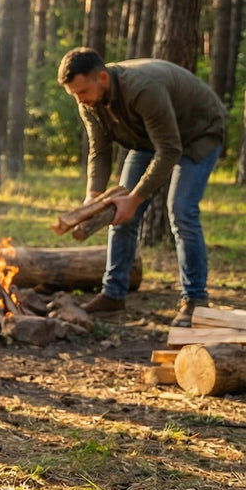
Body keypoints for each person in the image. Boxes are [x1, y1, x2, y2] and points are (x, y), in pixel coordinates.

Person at [57, 47, 226, 328]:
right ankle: (113, 295)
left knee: (182, 211)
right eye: (74, 94)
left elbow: (170, 150)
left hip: (198, 133)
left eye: (83, 92)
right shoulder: (88, 99)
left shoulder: (143, 88)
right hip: (150, 140)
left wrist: (135, 198)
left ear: (102, 77)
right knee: (117, 213)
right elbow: (99, 150)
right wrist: (94, 197)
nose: (80, 100)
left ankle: (195, 300)